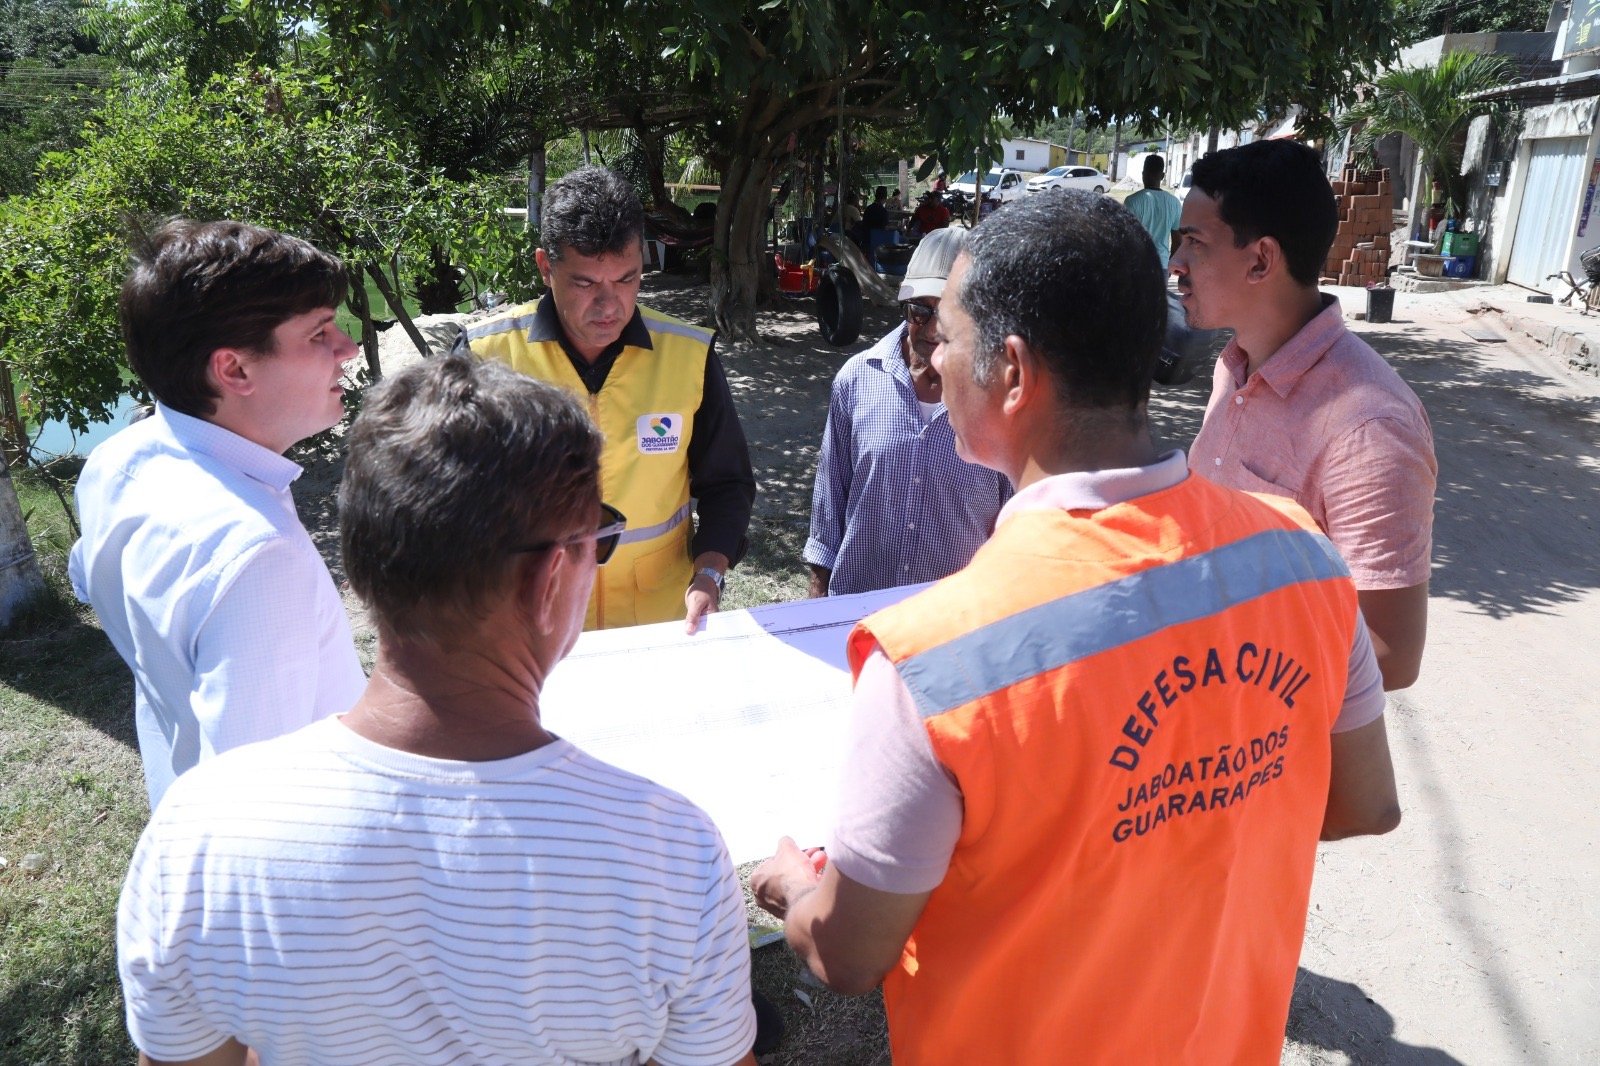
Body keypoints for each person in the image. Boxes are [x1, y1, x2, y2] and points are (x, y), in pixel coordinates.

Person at [751, 192, 1401, 1062]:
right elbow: (1366, 804)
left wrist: (798, 886)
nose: (932, 362)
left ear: (1011, 372)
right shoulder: (1306, 559)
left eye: (946, 335)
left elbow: (844, 952)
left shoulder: (931, 658)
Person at [116, 354, 759, 1066]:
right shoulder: (669, 855)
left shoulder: (197, 833)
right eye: (597, 540)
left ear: (360, 565)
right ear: (551, 577)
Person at [70, 219, 366, 810]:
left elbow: (90, 581)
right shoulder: (257, 554)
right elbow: (259, 807)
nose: (348, 349)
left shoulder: (115, 464)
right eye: (319, 333)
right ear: (234, 370)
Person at [1172, 139, 1437, 690]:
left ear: (1262, 259)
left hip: (1268, 751)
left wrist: (1210, 657)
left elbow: (1390, 655)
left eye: (1193, 242)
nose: (1175, 263)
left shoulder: (1368, 428)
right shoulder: (1235, 367)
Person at [455, 166, 755, 633]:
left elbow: (728, 484)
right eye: (585, 283)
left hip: (657, 626)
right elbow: (447, 498)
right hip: (528, 630)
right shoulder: (484, 356)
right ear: (545, 267)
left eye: (626, 279)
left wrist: (710, 573)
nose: (609, 304)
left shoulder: (688, 355)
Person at [804, 227, 1011, 597]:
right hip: (857, 614)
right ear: (904, 305)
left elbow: (1016, 526)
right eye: (920, 311)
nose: (933, 329)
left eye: (950, 314)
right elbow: (829, 506)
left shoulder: (1001, 398)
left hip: (952, 623)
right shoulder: (857, 380)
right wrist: (819, 598)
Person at [1124, 154, 1184, 270]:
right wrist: (1169, 265)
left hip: (1139, 266)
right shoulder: (1174, 203)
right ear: (1162, 176)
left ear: (1143, 174)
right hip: (1162, 266)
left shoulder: (1132, 201)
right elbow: (1177, 241)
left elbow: (1126, 238)